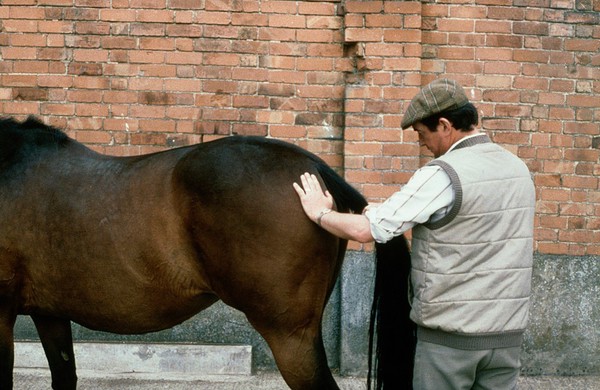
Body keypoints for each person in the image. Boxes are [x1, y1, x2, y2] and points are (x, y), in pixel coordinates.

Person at [293, 78, 536, 390]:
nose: (422, 144)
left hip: (449, 342)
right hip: (507, 339)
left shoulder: (442, 174)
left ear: (445, 126)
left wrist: (320, 213)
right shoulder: (517, 168)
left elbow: (367, 231)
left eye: (422, 134)